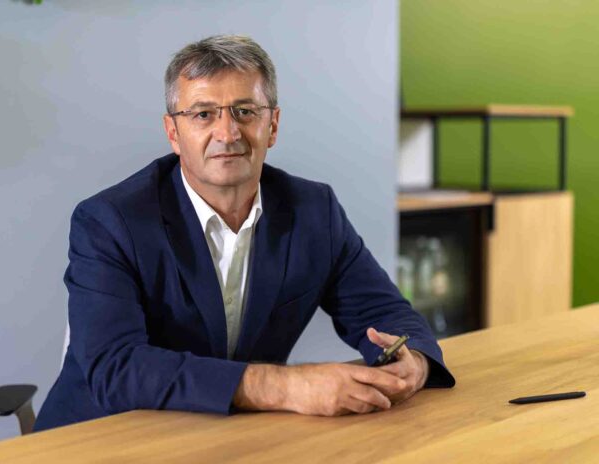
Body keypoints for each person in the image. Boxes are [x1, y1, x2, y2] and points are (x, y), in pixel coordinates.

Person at [34, 35, 454, 431]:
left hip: (229, 435)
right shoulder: (110, 221)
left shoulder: (314, 211)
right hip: (101, 435)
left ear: (273, 125)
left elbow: (384, 311)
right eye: (203, 114)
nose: (228, 133)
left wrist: (413, 360)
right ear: (173, 133)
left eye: (245, 111)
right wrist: (286, 386)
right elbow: (116, 368)